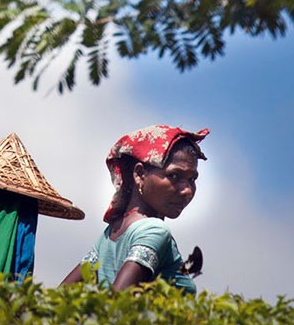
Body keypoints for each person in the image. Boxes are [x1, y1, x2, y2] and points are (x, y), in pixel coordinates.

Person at [60, 125, 208, 294]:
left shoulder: (110, 234)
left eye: (192, 179)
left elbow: (58, 298)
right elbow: (117, 303)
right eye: (174, 175)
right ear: (139, 174)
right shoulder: (154, 230)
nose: (187, 190)